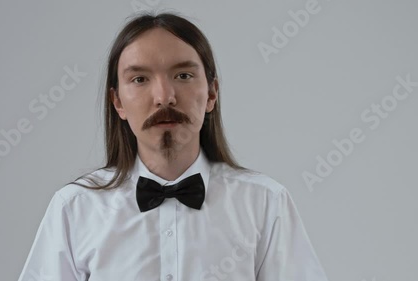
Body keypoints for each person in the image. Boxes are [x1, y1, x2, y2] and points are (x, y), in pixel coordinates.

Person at [18, 12, 330, 281]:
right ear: (117, 102)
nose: (164, 96)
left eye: (183, 75)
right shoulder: (74, 208)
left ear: (211, 93)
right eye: (140, 79)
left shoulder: (265, 203)